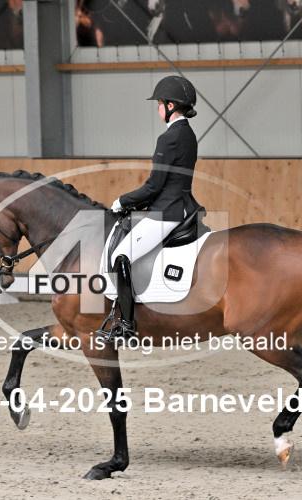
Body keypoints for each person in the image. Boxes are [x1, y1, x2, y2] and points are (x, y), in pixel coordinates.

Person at [97, 75, 200, 340]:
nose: (157, 109)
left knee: (122, 257)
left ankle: (126, 325)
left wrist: (123, 201)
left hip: (167, 212)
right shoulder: (188, 134)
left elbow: (154, 186)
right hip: (183, 206)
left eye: (159, 104)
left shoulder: (169, 138)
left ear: (170, 106)